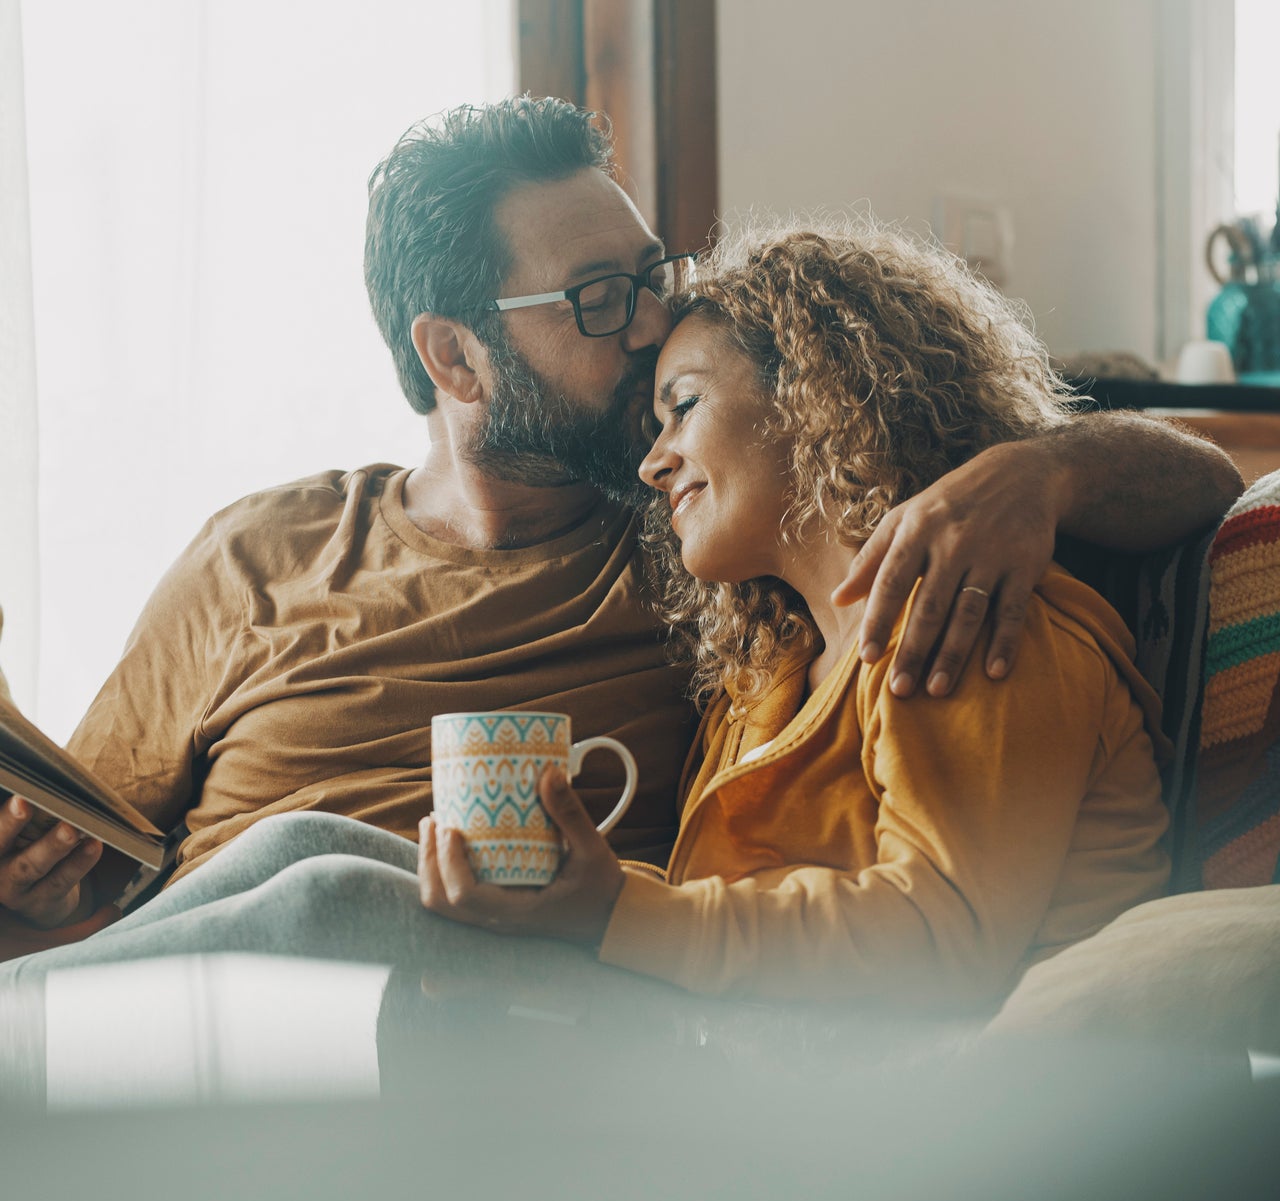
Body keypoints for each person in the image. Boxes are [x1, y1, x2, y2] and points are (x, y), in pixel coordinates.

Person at [0, 97, 1240, 975]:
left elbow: (1197, 476)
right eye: (599, 298)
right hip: (205, 1003)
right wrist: (31, 872)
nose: (650, 318)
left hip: (530, 1014)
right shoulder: (259, 555)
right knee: (301, 851)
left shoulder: (718, 557)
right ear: (453, 353)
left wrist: (1036, 472)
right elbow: (96, 861)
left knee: (325, 871)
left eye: (652, 272)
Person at [415, 220, 1175, 1011]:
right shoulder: (771, 675)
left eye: (683, 406)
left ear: (817, 396)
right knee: (334, 865)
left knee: (343, 892)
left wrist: (615, 912)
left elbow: (935, 938)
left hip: (976, 1101)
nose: (653, 461)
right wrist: (573, 898)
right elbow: (718, 916)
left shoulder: (959, 611)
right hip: (782, 1096)